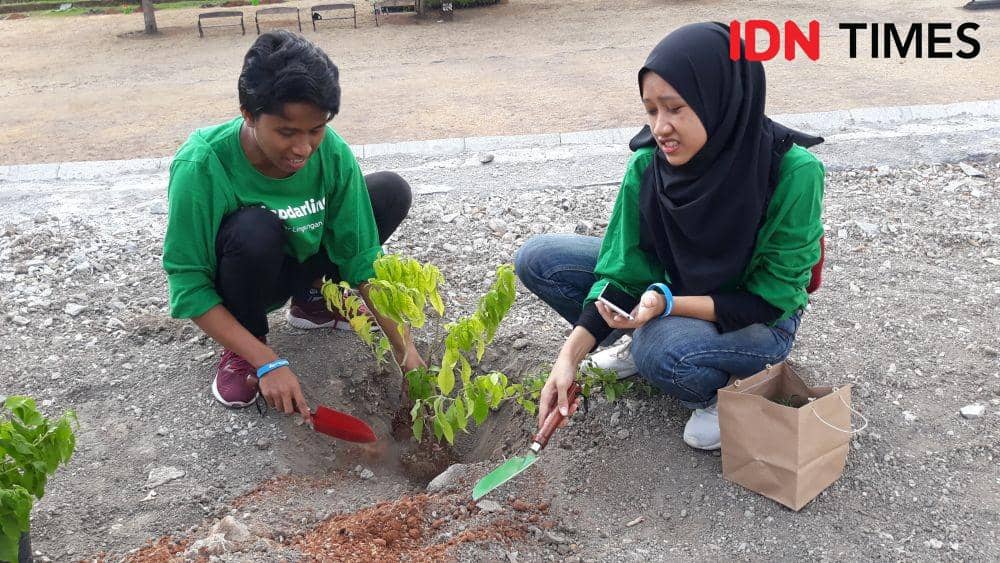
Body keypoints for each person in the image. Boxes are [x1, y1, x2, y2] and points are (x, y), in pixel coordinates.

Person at [515, 22, 824, 451]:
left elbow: (771, 298)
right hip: (671, 283)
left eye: (675, 108)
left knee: (659, 349)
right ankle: (643, 336)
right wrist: (566, 359)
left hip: (758, 316)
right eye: (651, 110)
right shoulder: (649, 166)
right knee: (539, 258)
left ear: (720, 99)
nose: (660, 128)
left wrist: (666, 304)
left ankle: (722, 393)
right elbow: (623, 272)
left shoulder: (791, 172)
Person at [162, 31, 424, 423]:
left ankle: (314, 301)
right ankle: (245, 344)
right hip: (246, 277)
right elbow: (188, 285)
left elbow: (363, 259)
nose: (303, 148)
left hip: (300, 264)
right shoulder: (202, 164)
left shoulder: (332, 153)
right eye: (287, 132)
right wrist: (268, 362)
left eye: (315, 130)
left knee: (388, 191)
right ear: (248, 114)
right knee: (254, 228)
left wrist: (408, 354)